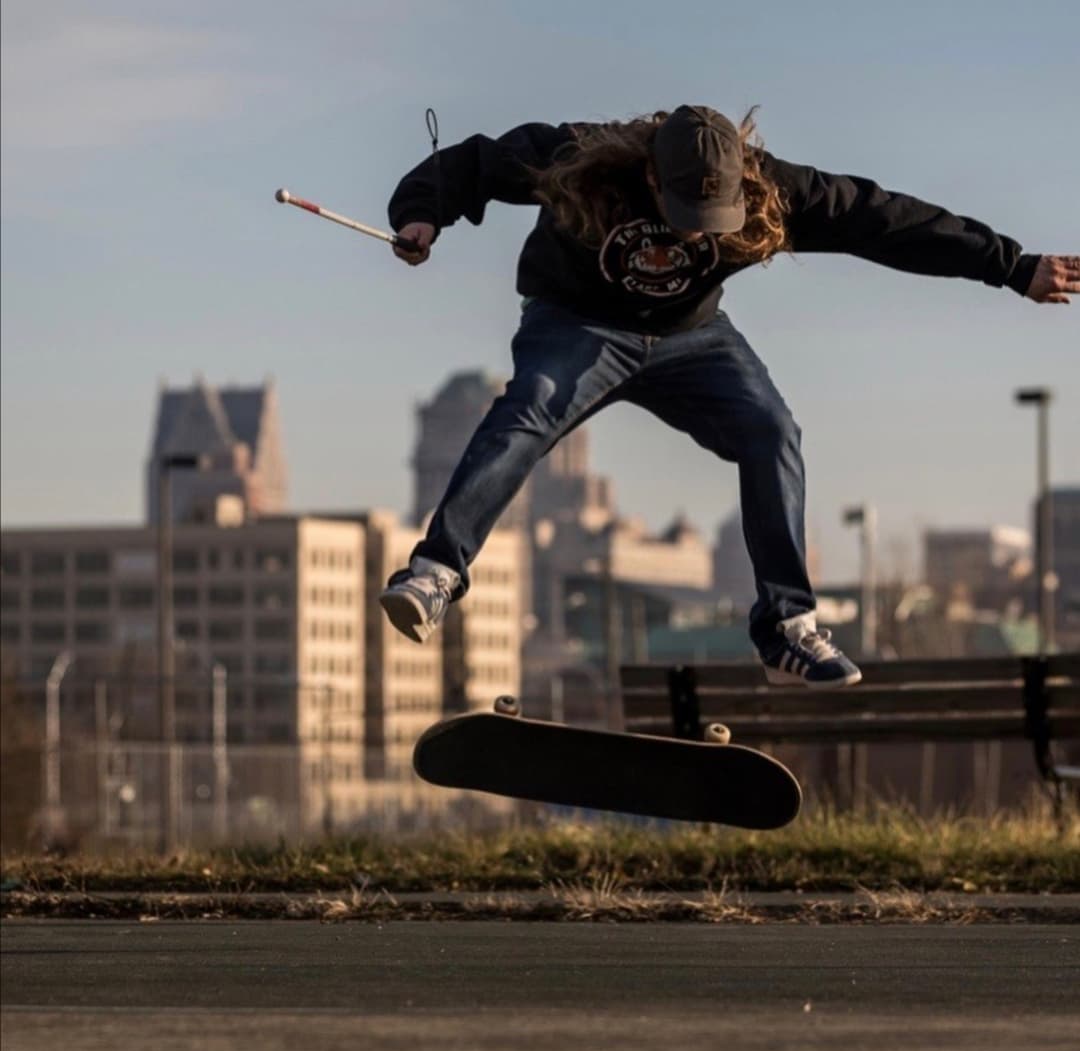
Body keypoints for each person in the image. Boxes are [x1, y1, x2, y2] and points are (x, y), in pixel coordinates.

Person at [378, 104, 1078, 687]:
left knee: (772, 432)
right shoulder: (580, 156)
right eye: (684, 209)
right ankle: (437, 571)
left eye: (710, 214)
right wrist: (422, 215)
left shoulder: (775, 190)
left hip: (694, 341)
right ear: (650, 173)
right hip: (578, 323)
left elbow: (885, 219)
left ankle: (787, 628)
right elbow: (471, 163)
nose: (695, 228)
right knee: (531, 406)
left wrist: (1011, 267)